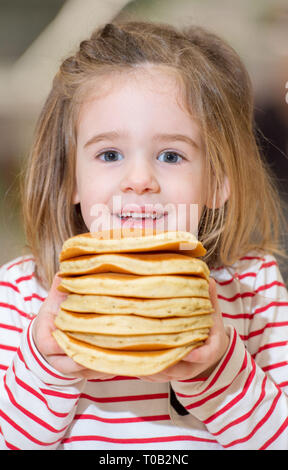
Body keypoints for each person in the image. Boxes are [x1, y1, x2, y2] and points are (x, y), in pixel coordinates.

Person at [0, 21, 288, 450]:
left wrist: (218, 372)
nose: (139, 180)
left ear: (217, 181)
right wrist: (47, 366)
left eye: (171, 155)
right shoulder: (22, 293)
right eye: (109, 154)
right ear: (71, 180)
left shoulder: (255, 289)